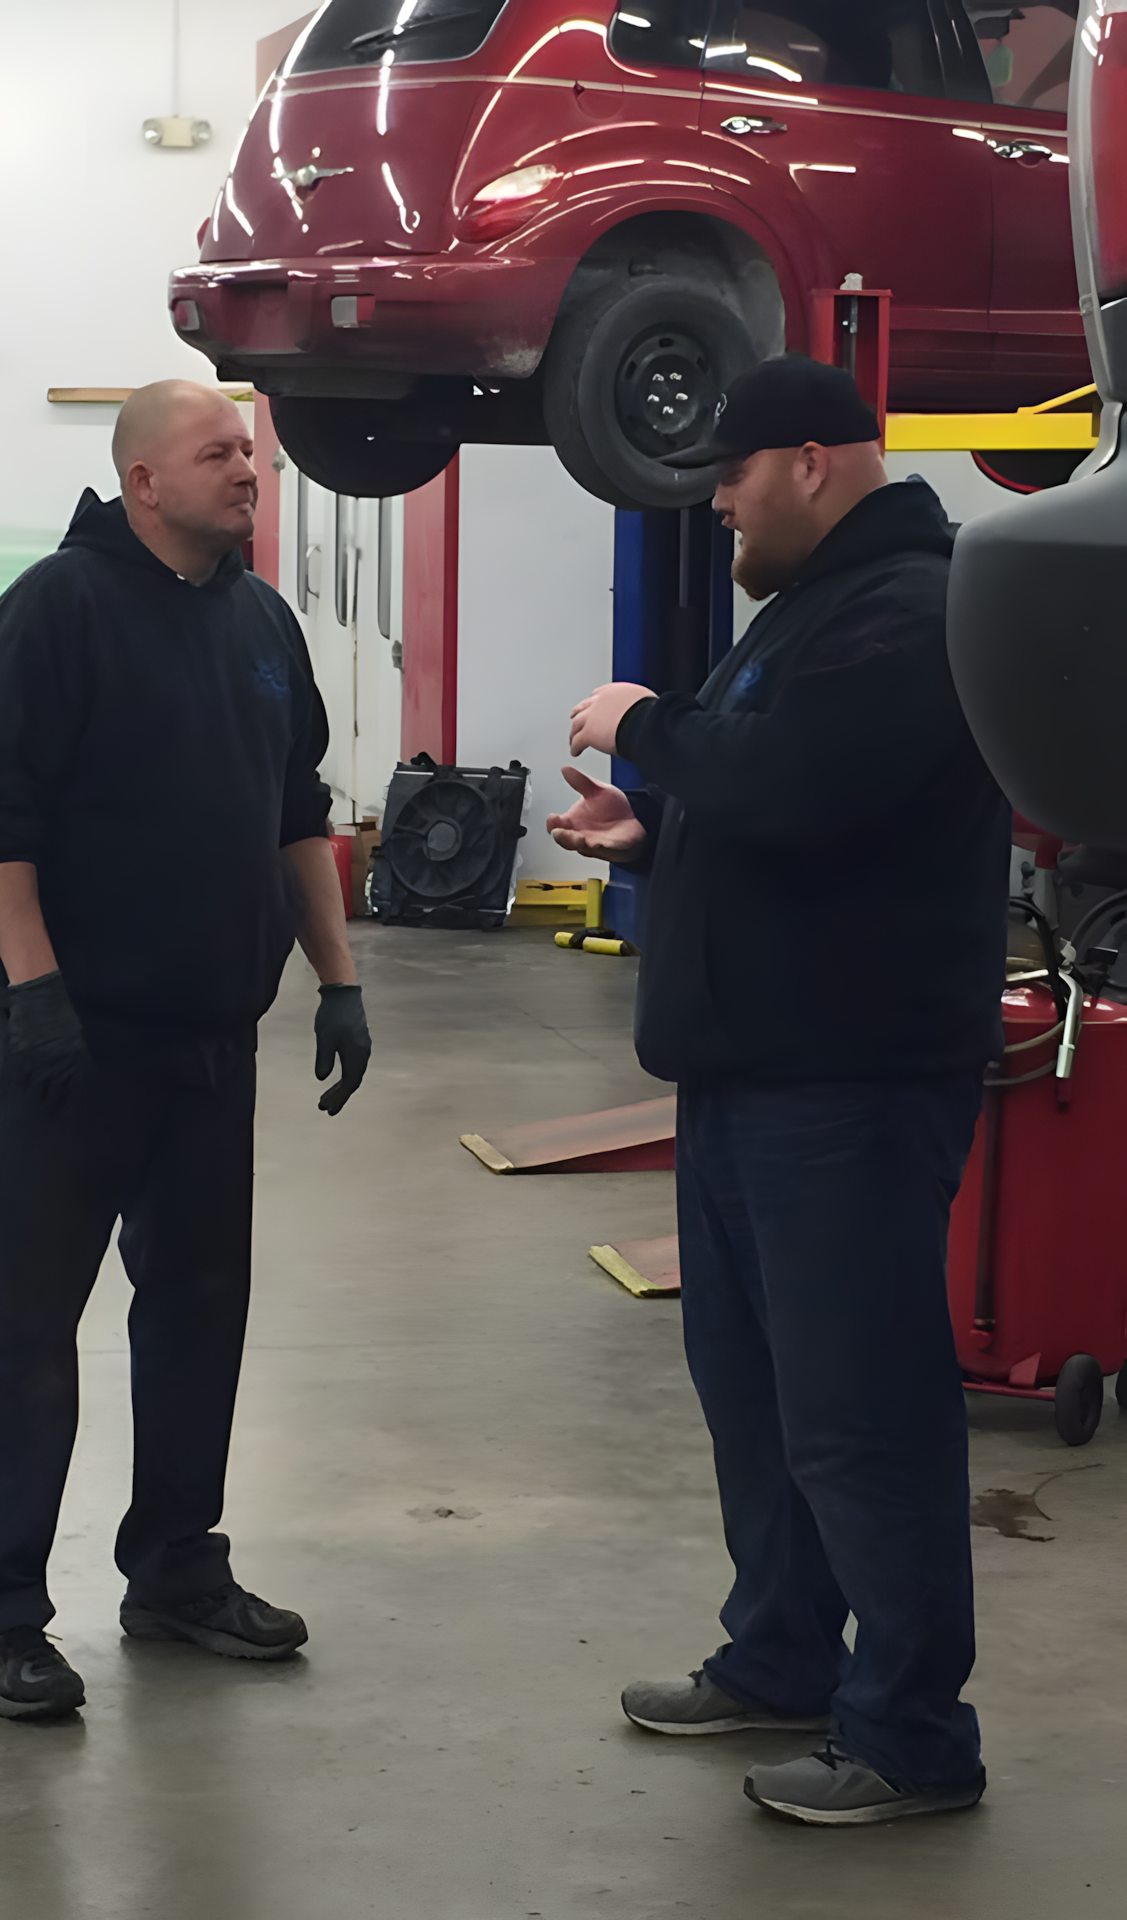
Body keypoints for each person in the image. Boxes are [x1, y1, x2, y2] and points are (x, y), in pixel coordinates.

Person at [549, 357, 1008, 1826]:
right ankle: (783, 1654)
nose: (723, 507)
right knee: (758, 1401)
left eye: (734, 478)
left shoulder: (917, 604)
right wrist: (656, 823)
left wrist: (642, 725)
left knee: (860, 1415)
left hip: (849, 1087)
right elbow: (774, 798)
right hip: (753, 1081)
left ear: (812, 462)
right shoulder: (812, 611)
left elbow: (806, 785)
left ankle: (913, 1737)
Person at [0, 379, 371, 1721]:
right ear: (142, 481)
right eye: (217, 453)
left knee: (197, 1304)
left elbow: (295, 808)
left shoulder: (255, 620)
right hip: (76, 1038)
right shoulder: (57, 614)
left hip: (207, 1041)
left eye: (249, 451)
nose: (247, 471)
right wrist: (39, 989)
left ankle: (177, 1566)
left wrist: (337, 978)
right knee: (30, 1322)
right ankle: (1, 1613)